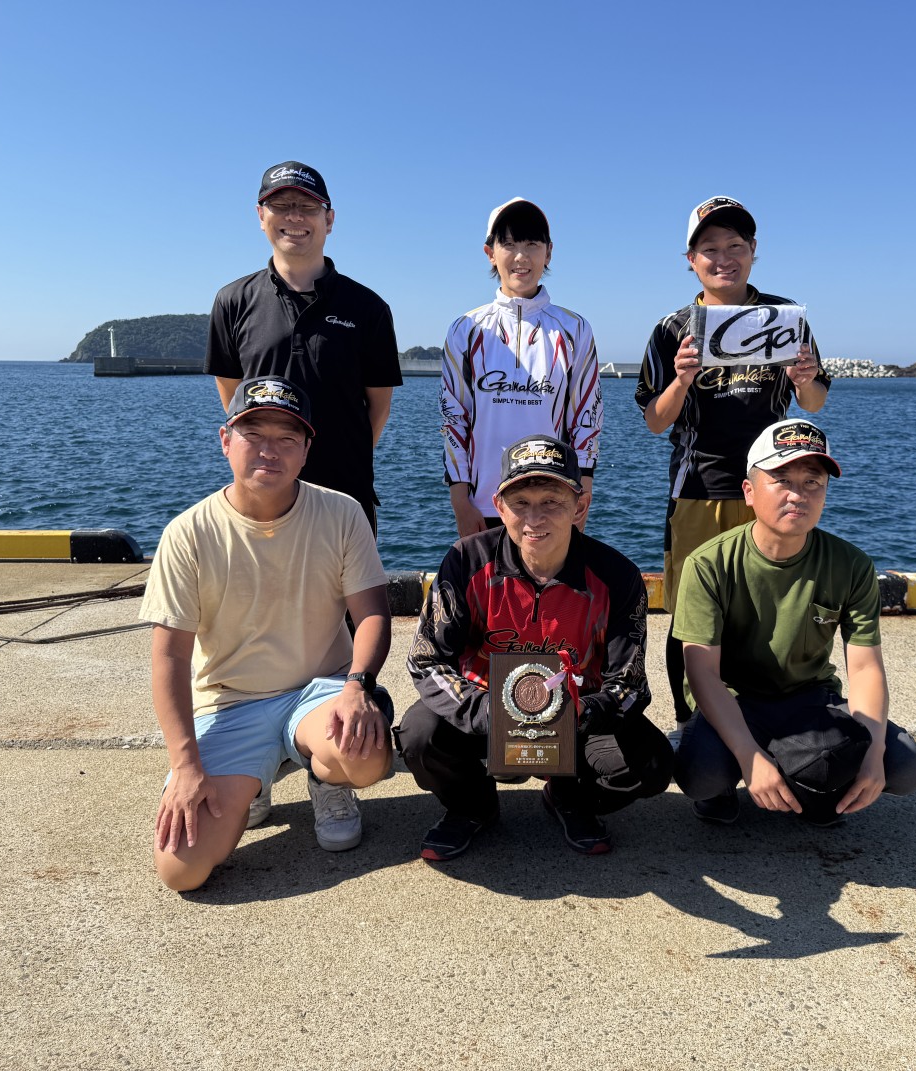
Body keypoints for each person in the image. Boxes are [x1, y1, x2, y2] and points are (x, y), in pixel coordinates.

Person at [140, 376, 394, 892]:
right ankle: (252, 783)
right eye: (254, 434)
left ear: (306, 450)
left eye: (287, 438)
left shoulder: (342, 513)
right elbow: (169, 658)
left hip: (318, 692)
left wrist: (357, 686)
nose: (269, 450)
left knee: (364, 758)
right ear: (225, 440)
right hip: (230, 703)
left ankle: (327, 780)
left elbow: (372, 613)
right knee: (181, 870)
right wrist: (186, 764)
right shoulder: (188, 533)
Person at [400, 434, 672, 861]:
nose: (534, 517)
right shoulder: (466, 561)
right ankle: (473, 806)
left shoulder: (617, 576)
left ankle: (568, 795)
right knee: (419, 735)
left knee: (651, 764)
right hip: (484, 711)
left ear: (579, 506)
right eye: (520, 502)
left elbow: (630, 683)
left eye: (552, 501)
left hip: (578, 721)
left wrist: (584, 712)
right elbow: (426, 659)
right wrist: (487, 712)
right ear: (499, 505)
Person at [635, 195, 832, 734]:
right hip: (698, 487)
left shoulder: (785, 318)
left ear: (753, 251)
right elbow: (654, 420)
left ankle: (764, 718)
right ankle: (691, 727)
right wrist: (681, 379)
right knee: (693, 614)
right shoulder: (674, 327)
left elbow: (814, 402)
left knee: (767, 607)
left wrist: (804, 379)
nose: (723, 258)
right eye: (710, 249)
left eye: (735, 246)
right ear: (691, 260)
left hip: (772, 483)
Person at [672, 417, 916, 825]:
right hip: (736, 700)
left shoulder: (851, 565)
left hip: (809, 698)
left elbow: (865, 668)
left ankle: (816, 786)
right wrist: (749, 756)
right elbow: (702, 673)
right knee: (702, 775)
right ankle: (743, 783)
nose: (798, 495)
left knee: (904, 765)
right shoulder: (708, 564)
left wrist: (873, 750)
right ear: (749, 492)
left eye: (812, 482)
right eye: (782, 480)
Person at [205, 161, 401, 532]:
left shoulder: (369, 308)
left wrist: (339, 454)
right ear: (261, 216)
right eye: (281, 205)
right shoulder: (232, 301)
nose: (295, 216)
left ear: (329, 219)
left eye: (308, 206)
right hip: (262, 496)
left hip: (345, 494)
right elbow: (233, 398)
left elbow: (379, 408)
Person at [442, 198, 601, 537]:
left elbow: (586, 419)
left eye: (532, 244)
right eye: (509, 244)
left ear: (549, 252)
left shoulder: (575, 330)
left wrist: (580, 497)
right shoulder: (465, 329)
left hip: (554, 504)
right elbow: (454, 419)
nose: (521, 256)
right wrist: (460, 501)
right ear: (490, 252)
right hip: (482, 505)